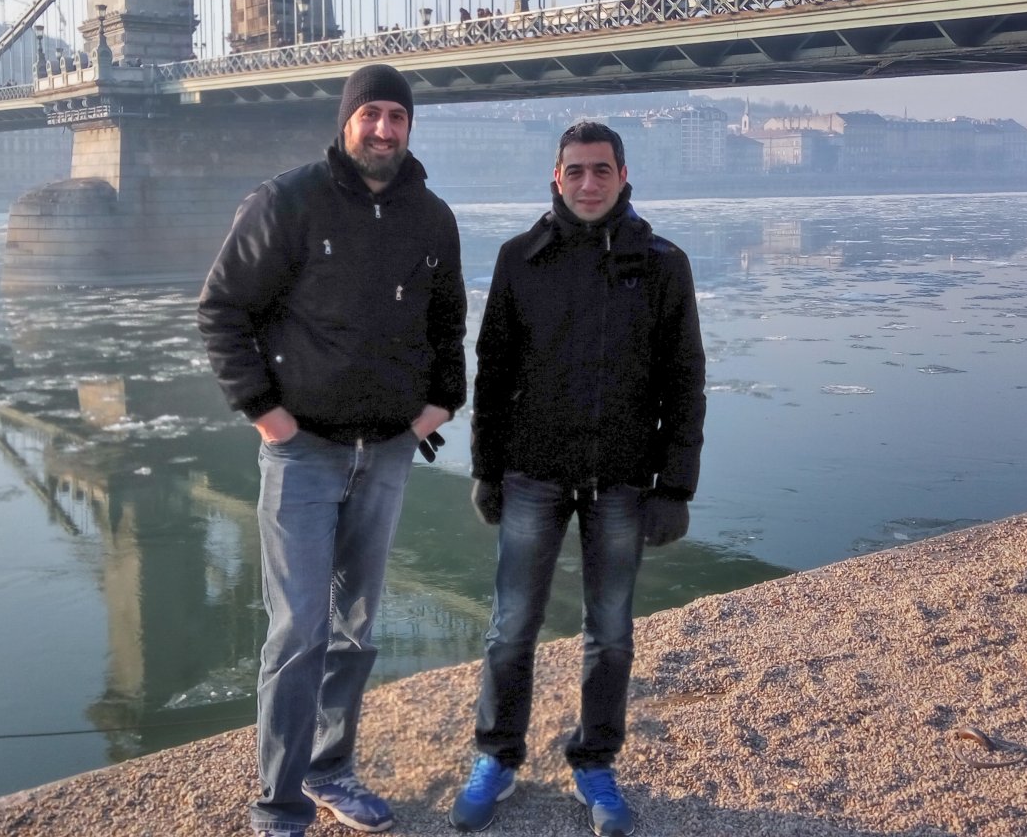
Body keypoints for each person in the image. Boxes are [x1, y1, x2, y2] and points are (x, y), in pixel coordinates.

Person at [199, 63, 467, 837]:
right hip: (304, 454)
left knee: (356, 630)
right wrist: (266, 415)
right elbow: (222, 309)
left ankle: (330, 770)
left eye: (396, 117)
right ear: (346, 121)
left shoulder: (432, 217)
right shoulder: (286, 201)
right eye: (370, 114)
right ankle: (278, 808)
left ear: (409, 128)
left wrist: (442, 402)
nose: (383, 129)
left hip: (386, 452)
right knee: (299, 634)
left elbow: (447, 322)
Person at [448, 120, 707, 837]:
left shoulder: (664, 264)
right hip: (533, 474)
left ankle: (594, 761)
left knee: (611, 633)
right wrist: (486, 470)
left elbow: (685, 381)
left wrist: (675, 487)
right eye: (575, 171)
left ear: (624, 177)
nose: (588, 183)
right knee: (510, 628)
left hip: (622, 478)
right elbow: (493, 375)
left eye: (601, 170)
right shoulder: (519, 259)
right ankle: (497, 756)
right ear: (555, 180)